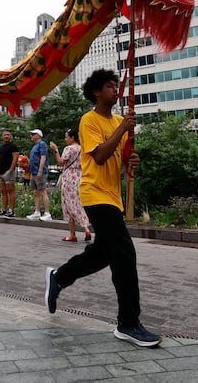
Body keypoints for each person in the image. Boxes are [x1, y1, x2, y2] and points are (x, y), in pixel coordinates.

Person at [44, 69, 161, 348]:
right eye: (110, 86)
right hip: (95, 195)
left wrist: (131, 160)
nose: (115, 90)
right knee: (124, 254)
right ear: (97, 92)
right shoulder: (89, 120)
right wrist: (122, 129)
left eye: (116, 85)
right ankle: (128, 323)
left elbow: (120, 160)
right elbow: (98, 156)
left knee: (101, 254)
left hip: (114, 196)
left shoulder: (121, 121)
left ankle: (59, 277)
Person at [50, 129, 91, 242]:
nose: (65, 139)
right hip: (79, 176)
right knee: (78, 203)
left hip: (69, 178)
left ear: (72, 138)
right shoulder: (81, 148)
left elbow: (61, 162)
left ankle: (76, 233)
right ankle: (84, 229)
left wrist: (56, 150)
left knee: (69, 204)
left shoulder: (69, 149)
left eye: (67, 137)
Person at [25, 129, 51, 221]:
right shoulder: (35, 146)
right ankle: (37, 211)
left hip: (39, 172)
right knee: (36, 192)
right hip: (34, 172)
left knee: (42, 191)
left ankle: (47, 213)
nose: (31, 136)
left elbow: (43, 157)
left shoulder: (42, 144)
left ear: (39, 135)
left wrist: (40, 170)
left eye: (33, 134)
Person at [0, 129, 19, 218]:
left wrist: (11, 170)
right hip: (0, 172)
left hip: (8, 172)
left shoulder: (13, 147)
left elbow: (15, 158)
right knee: (3, 192)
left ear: (10, 136)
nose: (6, 136)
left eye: (8, 134)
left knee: (10, 191)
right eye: (5, 135)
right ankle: (4, 210)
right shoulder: (0, 147)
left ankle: (12, 210)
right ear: (2, 136)